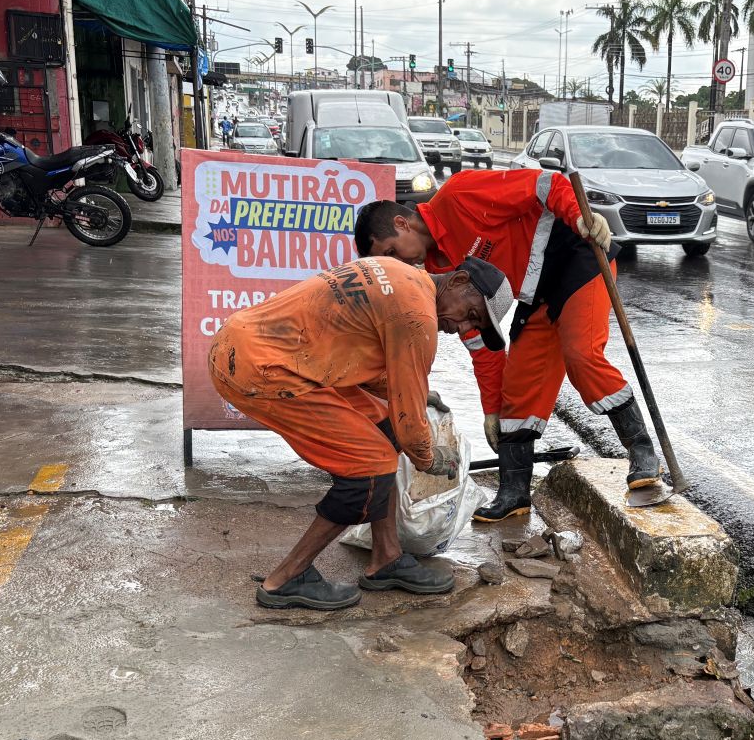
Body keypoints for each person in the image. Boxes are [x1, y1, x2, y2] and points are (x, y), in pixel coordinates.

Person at [353, 169, 661, 523]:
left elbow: (548, 185)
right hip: (536, 295)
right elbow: (481, 346)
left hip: (577, 258)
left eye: (393, 252)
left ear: (402, 224)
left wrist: (580, 215)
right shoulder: (438, 271)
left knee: (581, 355)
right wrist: (491, 409)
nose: (402, 264)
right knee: (517, 391)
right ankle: (514, 493)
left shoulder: (459, 195)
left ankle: (641, 453)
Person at [208, 253, 512, 611]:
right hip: (262, 366)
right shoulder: (419, 316)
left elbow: (358, 358)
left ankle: (386, 557)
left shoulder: (400, 273)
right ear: (458, 281)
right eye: (471, 315)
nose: (462, 328)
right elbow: (411, 425)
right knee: (369, 470)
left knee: (384, 433)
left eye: (473, 325)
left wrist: (407, 390)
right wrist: (431, 459)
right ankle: (287, 578)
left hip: (253, 344)